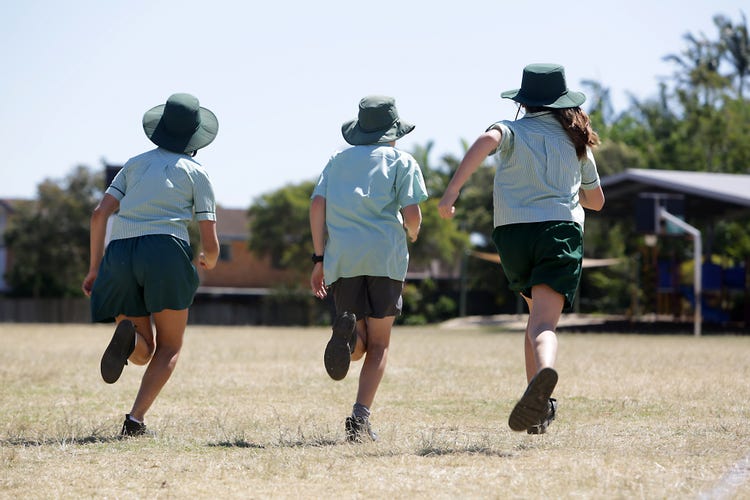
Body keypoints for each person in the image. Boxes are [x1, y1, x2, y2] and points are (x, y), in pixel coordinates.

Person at [438, 64, 605, 434]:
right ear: (563, 103)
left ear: (523, 102)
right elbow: (596, 202)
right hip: (558, 231)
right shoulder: (577, 144)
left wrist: (452, 193)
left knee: (533, 320)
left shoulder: (511, 129)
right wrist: (565, 182)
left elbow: (486, 141)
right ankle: (545, 378)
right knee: (545, 325)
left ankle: (538, 412)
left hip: (513, 235)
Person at [82, 93, 220, 437]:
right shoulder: (196, 172)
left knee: (143, 350)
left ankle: (128, 339)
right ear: (194, 137)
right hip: (166, 251)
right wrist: (208, 259)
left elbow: (100, 215)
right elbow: (211, 243)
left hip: (120, 253)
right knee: (170, 347)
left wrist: (95, 269)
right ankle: (135, 420)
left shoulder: (134, 164)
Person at [310, 95, 428, 443]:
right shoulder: (402, 161)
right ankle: (359, 419)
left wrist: (318, 258)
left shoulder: (337, 161)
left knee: (359, 343)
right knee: (379, 345)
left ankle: (348, 339)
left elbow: (317, 205)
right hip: (384, 258)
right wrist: (414, 231)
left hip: (343, 259)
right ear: (393, 132)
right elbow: (411, 215)